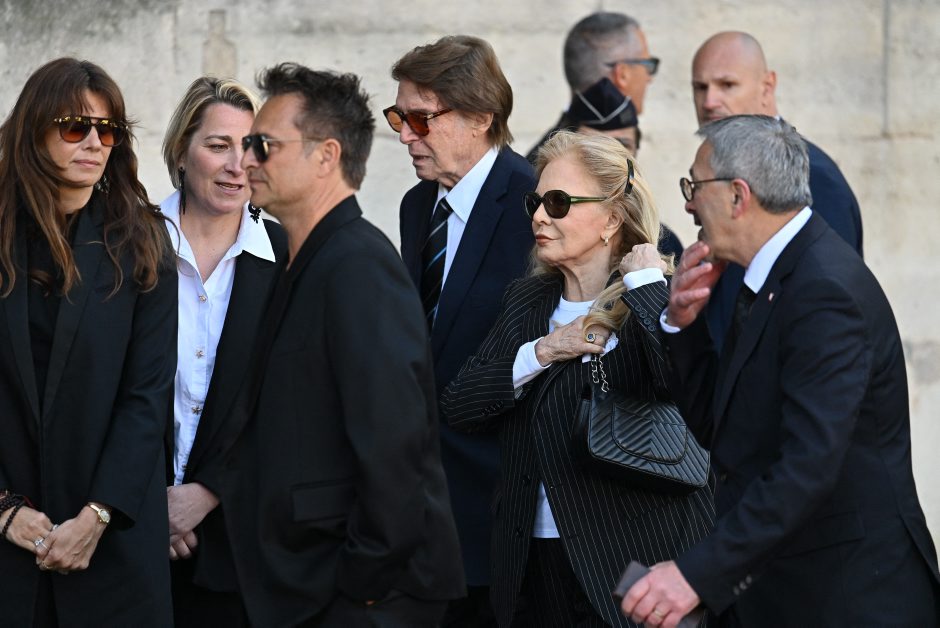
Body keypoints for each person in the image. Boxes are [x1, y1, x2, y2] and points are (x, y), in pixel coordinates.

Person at [621, 115, 940, 627]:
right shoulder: (770, 276)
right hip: (784, 592)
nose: (688, 205)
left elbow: (807, 466)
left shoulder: (823, 290)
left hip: (847, 598)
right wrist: (680, 325)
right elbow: (723, 431)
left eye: (694, 187)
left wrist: (695, 576)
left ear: (737, 196)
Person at [218, 62, 464, 627]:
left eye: (264, 145)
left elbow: (396, 448)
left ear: (326, 156)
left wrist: (361, 583)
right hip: (310, 584)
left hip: (362, 596)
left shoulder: (359, 267)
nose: (247, 160)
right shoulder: (302, 259)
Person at [441, 131, 715, 628]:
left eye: (559, 203)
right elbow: (460, 405)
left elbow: (682, 385)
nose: (539, 217)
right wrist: (544, 350)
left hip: (630, 566)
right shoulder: (527, 301)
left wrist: (646, 284)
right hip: (531, 565)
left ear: (611, 218)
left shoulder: (658, 296)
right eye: (536, 202)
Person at [0, 58, 177, 626]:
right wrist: (3, 509)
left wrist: (97, 515)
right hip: (9, 545)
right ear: (35, 131)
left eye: (108, 130)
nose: (95, 143)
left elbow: (147, 395)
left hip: (113, 542)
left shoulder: (142, 241)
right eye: (76, 127)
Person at [388, 35, 535, 625]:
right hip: (421, 504)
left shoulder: (534, 204)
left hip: (501, 508)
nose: (405, 136)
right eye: (399, 117)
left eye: (421, 119)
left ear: (480, 118)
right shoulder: (416, 205)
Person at [160, 76, 287, 627]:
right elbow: (98, 392)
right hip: (123, 531)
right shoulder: (125, 246)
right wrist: (148, 502)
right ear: (181, 152)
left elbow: (291, 404)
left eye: (251, 147)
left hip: (242, 542)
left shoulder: (289, 258)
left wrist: (209, 491)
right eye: (218, 145)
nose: (238, 165)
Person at [691, 31, 864, 348]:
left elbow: (830, 301)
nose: (709, 101)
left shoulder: (813, 176)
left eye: (727, 85)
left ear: (767, 87)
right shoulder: (719, 167)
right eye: (700, 87)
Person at [563, 76, 684, 260]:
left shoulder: (663, 244)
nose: (610, 159)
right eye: (595, 147)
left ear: (636, 149)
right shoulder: (544, 233)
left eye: (622, 145)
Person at [526, 11, 657, 164]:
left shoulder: (537, 162)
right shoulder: (598, 161)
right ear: (622, 75)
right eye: (648, 65)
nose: (649, 78)